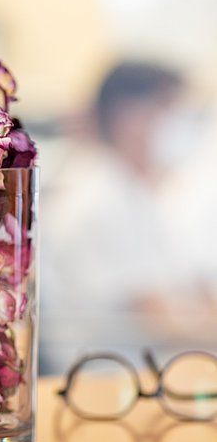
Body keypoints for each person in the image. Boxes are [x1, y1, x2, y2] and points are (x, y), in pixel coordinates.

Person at [39, 61, 211, 374]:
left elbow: (194, 287)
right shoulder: (98, 198)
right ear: (128, 117)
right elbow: (161, 323)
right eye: (171, 110)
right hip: (112, 381)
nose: (183, 126)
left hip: (152, 366)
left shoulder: (134, 191)